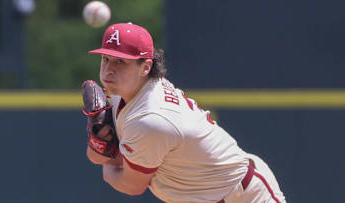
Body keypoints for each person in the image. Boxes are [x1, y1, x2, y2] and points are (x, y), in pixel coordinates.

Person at [86, 22, 286, 203]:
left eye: (121, 61)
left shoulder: (151, 118)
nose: (109, 69)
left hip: (245, 198)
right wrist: (101, 149)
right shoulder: (127, 92)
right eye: (106, 59)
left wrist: (104, 156)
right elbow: (123, 156)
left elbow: (131, 184)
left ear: (145, 67)